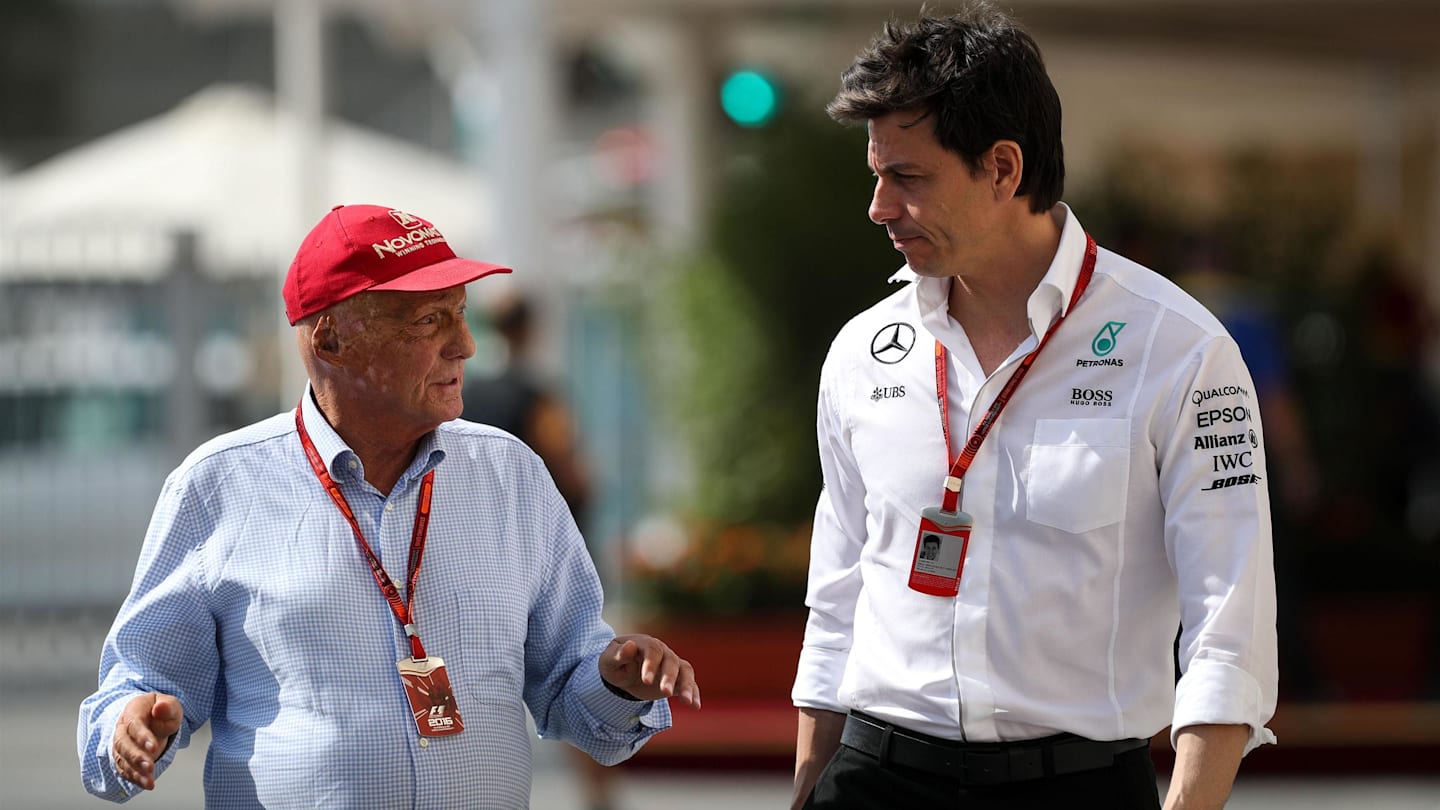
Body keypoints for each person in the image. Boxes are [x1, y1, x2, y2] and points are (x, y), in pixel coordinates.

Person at [790, 7, 1276, 810]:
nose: (878, 206)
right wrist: (808, 786)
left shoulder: (1183, 350)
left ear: (1004, 169)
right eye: (875, 174)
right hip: (873, 779)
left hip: (1080, 784)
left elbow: (1231, 622)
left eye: (907, 177)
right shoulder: (860, 350)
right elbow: (837, 593)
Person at [77, 204, 700, 809]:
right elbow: (134, 694)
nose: (466, 345)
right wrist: (131, 725)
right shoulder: (217, 486)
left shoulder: (511, 475)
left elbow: (573, 694)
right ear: (332, 340)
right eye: (430, 321)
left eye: (461, 313)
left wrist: (616, 678)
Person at [461, 292, 618, 810]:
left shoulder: (466, 391)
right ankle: (598, 795)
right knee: (576, 672)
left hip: (471, 550)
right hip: (542, 557)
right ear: (531, 331)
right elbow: (570, 467)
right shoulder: (537, 394)